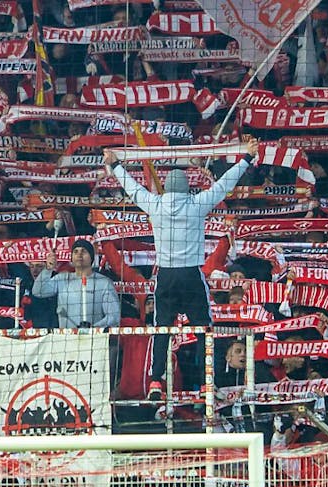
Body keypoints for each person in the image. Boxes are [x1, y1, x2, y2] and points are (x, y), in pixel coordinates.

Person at [103, 139, 259, 399]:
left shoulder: (155, 204)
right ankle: (204, 382)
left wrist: (115, 165)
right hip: (190, 274)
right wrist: (247, 159)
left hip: (165, 275)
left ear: (167, 189)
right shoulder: (197, 204)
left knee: (162, 327)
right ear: (187, 188)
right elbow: (224, 185)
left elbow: (132, 188)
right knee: (202, 329)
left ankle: (155, 380)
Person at [32, 239, 121, 328]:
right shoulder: (62, 279)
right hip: (65, 338)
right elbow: (38, 292)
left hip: (95, 339)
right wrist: (48, 269)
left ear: (91, 258)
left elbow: (114, 317)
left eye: (84, 251)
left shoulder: (104, 283)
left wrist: (93, 329)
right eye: (75, 252)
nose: (79, 254)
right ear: (71, 258)